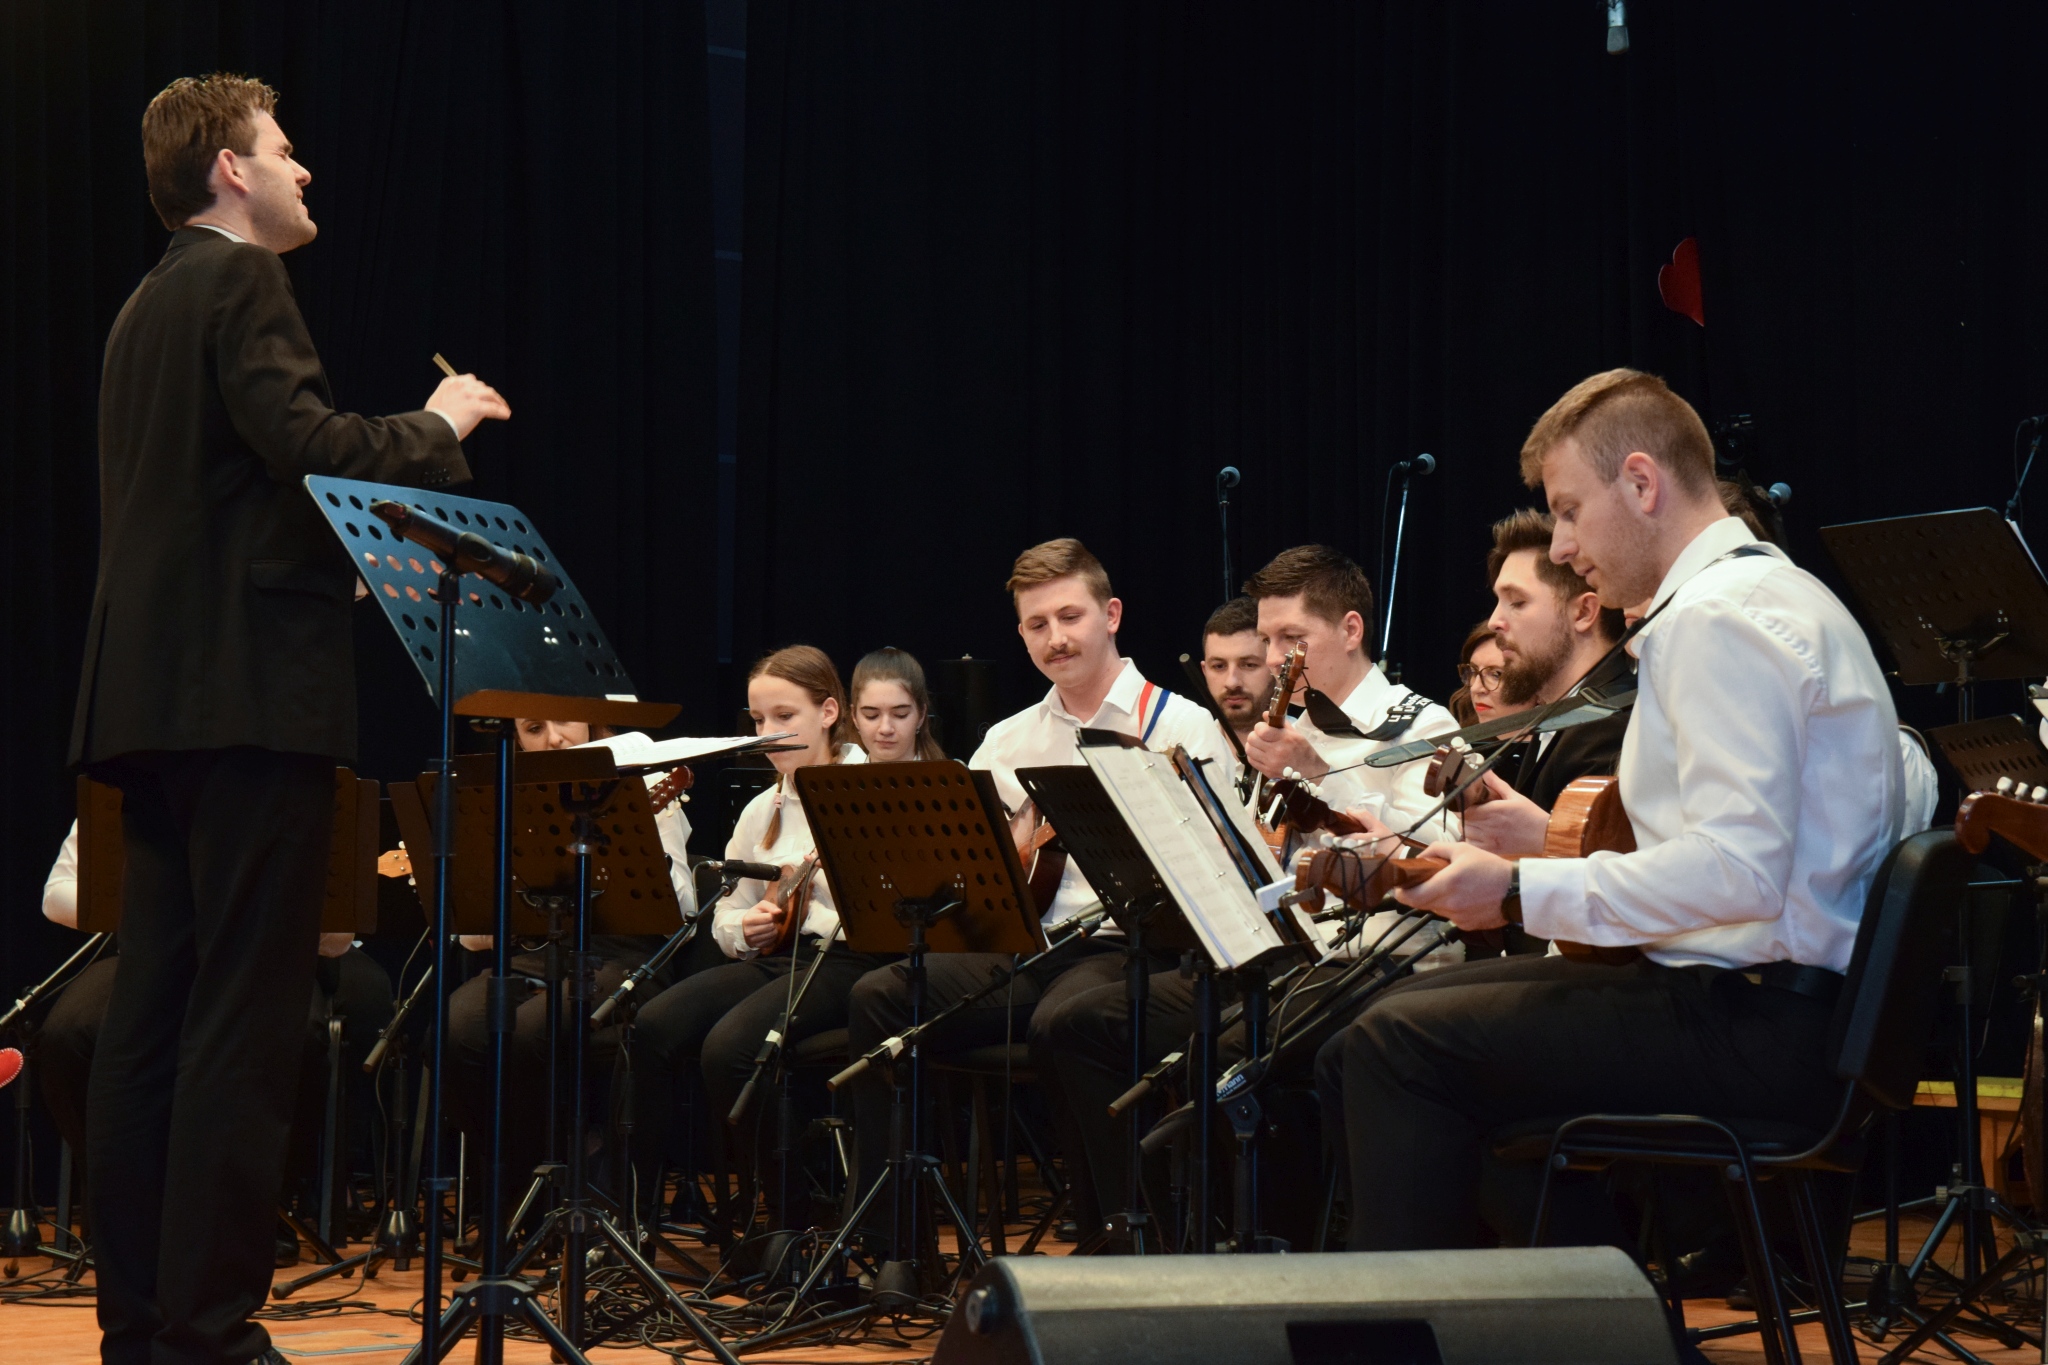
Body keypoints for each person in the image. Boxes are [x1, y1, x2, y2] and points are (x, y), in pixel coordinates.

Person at [68, 73, 507, 1365]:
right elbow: (311, 448)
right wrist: (442, 422)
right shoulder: (238, 279)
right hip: (248, 698)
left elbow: (223, 493)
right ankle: (211, 1323)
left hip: (147, 701)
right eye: (284, 150)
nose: (303, 170)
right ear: (228, 174)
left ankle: (141, 1320)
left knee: (154, 1009)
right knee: (244, 1019)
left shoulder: (140, 308)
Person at [1315, 367, 1903, 1253]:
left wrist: (1521, 891)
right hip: (1767, 1007)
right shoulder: (1772, 597)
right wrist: (1535, 862)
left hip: (1756, 1022)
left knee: (1397, 1047)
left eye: (1567, 509)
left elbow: (1737, 871)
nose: (1558, 545)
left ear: (1640, 482)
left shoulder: (1721, 620)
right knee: (1363, 1037)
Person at [842, 539, 1234, 1251]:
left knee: (1068, 1018)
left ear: (1111, 614)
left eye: (1069, 616)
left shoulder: (1180, 723)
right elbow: (971, 862)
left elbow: (1221, 867)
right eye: (1035, 624)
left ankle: (1119, 1235)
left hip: (1132, 946)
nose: (1055, 638)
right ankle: (892, 1245)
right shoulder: (1008, 739)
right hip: (1030, 944)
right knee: (881, 994)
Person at [632, 646, 894, 1233]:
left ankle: (789, 1218)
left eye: (784, 717)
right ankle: (636, 1216)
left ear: (829, 712)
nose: (768, 733)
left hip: (848, 962)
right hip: (780, 961)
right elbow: (729, 908)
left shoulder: (869, 786)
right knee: (652, 1025)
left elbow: (892, 907)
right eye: (758, 721)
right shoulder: (761, 807)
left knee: (730, 1048)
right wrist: (742, 931)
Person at [36, 824, 394, 1238]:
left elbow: (336, 939)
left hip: (263, 957)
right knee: (68, 1035)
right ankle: (123, 1207)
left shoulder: (289, 788)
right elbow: (56, 893)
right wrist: (156, 909)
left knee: (300, 1036)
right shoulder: (134, 783)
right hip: (152, 955)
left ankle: (260, 1210)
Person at [442, 715, 698, 1215]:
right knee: (459, 1027)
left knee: (537, 1027)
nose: (554, 738)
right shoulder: (509, 787)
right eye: (534, 728)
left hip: (624, 956)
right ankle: (519, 1188)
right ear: (514, 737)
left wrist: (641, 849)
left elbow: (683, 906)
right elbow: (475, 929)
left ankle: (567, 1174)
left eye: (564, 721)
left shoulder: (639, 769)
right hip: (535, 952)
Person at [1240, 546, 1456, 837]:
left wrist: (1317, 772)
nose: (1273, 659)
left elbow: (1438, 848)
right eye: (1266, 640)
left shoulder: (1424, 724)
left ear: (1351, 631)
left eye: (1291, 637)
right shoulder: (1295, 732)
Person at [1198, 596, 1273, 746]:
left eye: (1249, 665)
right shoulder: (1184, 749)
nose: (1232, 682)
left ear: (1277, 668)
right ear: (1204, 671)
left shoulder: (1315, 750)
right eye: (1219, 666)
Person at [849, 647, 946, 762]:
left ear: (921, 715)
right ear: (854, 717)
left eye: (900, 714)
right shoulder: (838, 778)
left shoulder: (949, 778)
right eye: (871, 715)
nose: (885, 729)